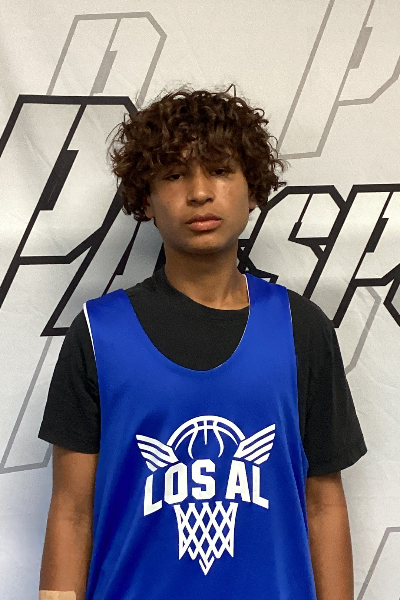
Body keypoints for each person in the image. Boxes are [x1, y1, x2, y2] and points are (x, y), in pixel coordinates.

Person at [38, 84, 367, 600]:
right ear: (145, 198)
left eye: (219, 170)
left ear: (253, 188)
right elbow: (72, 511)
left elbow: (323, 503)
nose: (199, 193)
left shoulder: (302, 328)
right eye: (174, 175)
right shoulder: (98, 334)